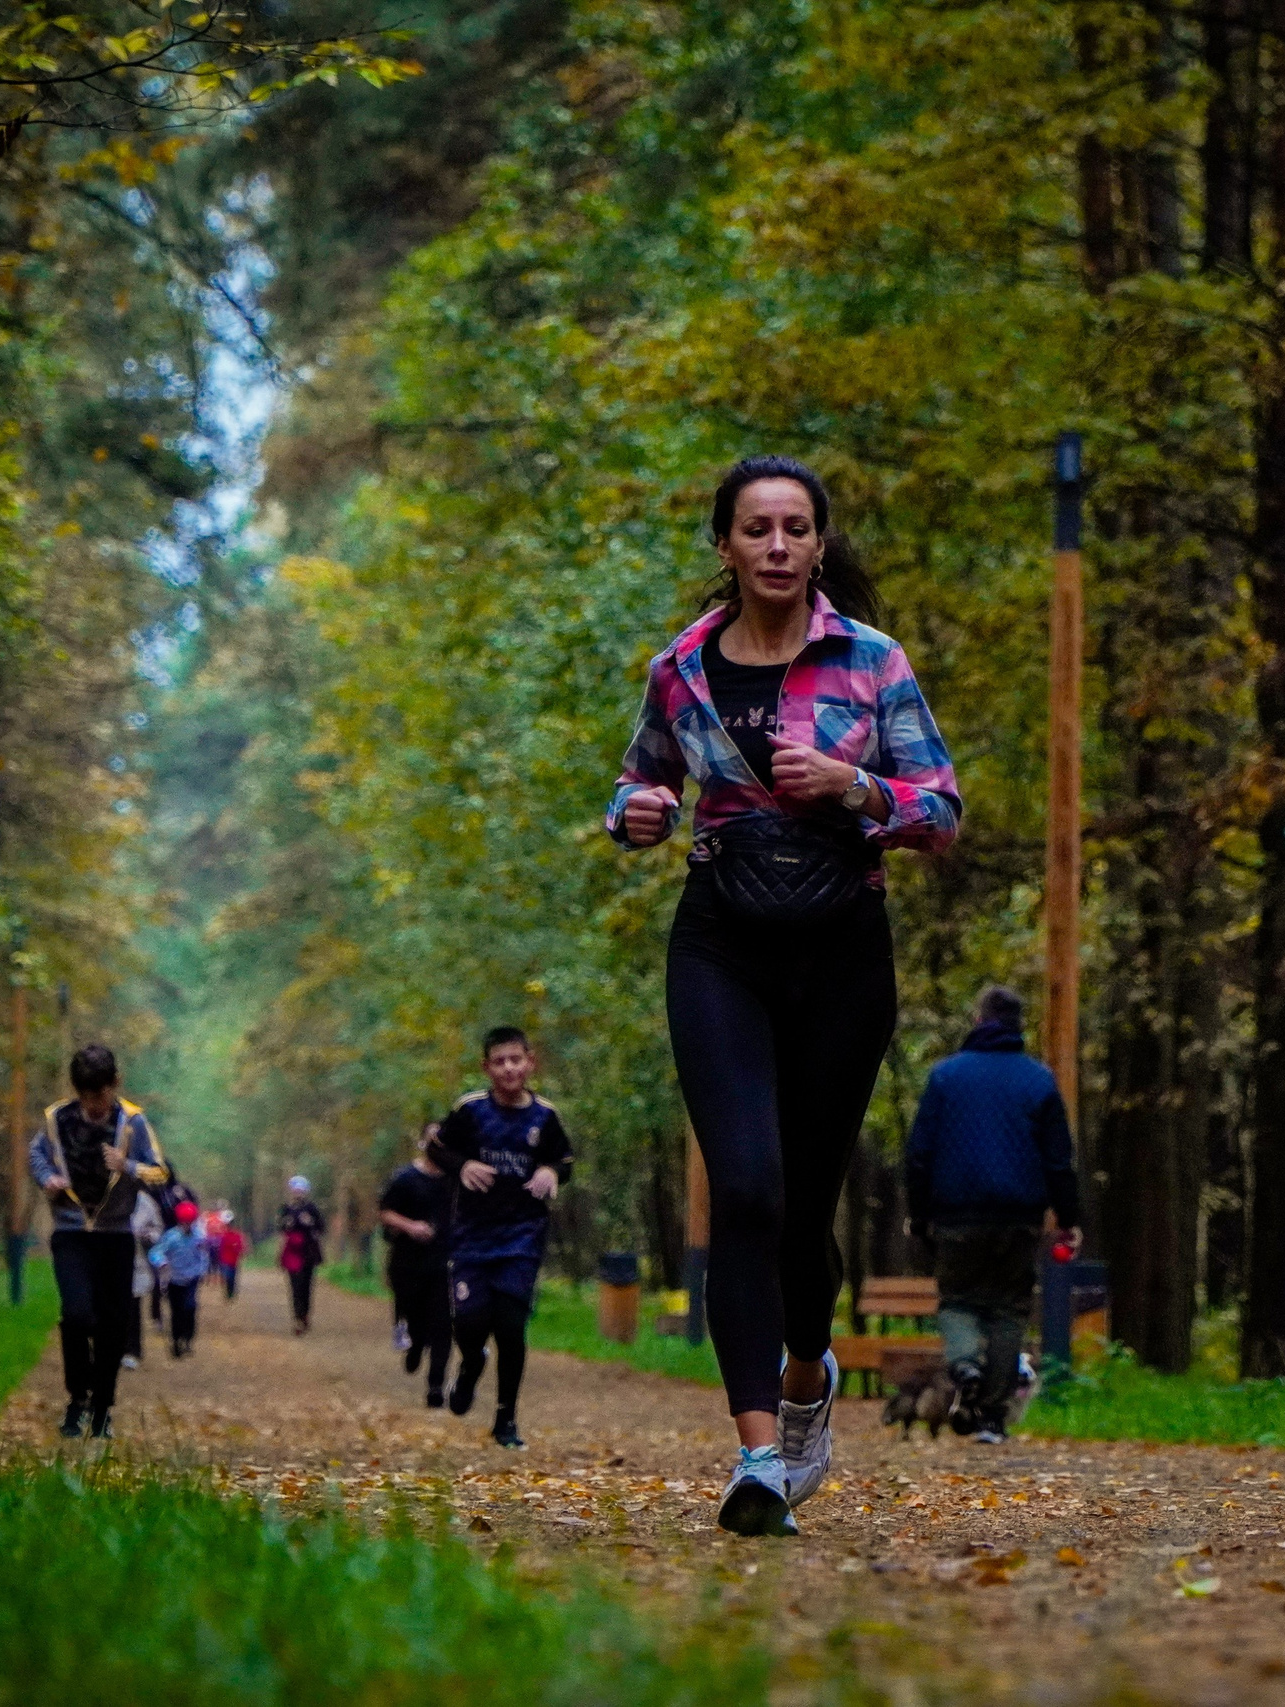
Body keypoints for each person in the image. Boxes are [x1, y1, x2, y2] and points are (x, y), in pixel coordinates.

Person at [607, 455, 959, 1536]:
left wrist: (854, 786)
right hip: (720, 939)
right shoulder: (682, 668)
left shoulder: (871, 660)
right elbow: (639, 774)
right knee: (746, 1191)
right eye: (753, 528)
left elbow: (940, 811)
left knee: (806, 1209)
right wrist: (638, 811)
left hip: (842, 946)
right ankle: (758, 1455)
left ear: (817, 545)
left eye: (792, 529)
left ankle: (809, 1368)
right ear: (724, 545)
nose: (773, 545)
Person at [904, 985, 1082, 1443]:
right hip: (1019, 1217)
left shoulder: (946, 1077)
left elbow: (919, 1153)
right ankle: (992, 1418)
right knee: (1008, 1311)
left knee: (958, 1300)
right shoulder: (1039, 1080)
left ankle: (964, 1366)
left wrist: (919, 1214)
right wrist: (1068, 1217)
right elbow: (1059, 1160)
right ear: (1018, 1026)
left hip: (956, 1216)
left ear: (979, 1021)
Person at [432, 1028, 573, 1450]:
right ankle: (472, 1361)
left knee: (511, 1327)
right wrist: (462, 1165)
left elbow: (564, 1159)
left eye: (516, 1059)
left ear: (530, 1062)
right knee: (471, 1322)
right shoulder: (470, 1111)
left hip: (522, 1237)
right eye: (500, 1061)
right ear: (487, 1068)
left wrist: (552, 1171)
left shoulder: (544, 1116)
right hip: (472, 1236)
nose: (509, 1068)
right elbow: (436, 1149)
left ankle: (505, 1419)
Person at [25, 1043, 173, 1438]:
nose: (93, 1104)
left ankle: (103, 1408)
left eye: (101, 1094)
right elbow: (36, 1155)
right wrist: (47, 1179)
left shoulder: (134, 1122)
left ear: (115, 1085)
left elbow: (160, 1172)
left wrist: (126, 1166)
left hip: (116, 1236)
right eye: (86, 1095)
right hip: (71, 1232)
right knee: (76, 1315)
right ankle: (77, 1398)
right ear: (76, 1090)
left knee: (112, 1324)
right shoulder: (57, 1119)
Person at [379, 1122, 457, 1406]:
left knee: (443, 1323)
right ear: (423, 1143)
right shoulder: (404, 1178)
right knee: (415, 1319)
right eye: (432, 1139)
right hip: (407, 1262)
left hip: (444, 1261)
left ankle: (436, 1385)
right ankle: (414, 1345)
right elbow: (385, 1212)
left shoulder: (455, 1178)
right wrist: (411, 1227)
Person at [150, 1200, 212, 1357]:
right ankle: (176, 1341)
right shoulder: (171, 1237)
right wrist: (161, 1262)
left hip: (192, 1278)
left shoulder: (199, 1237)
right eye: (185, 1222)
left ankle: (188, 1339)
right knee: (176, 1311)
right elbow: (155, 1253)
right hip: (174, 1279)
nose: (188, 1225)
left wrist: (203, 1271)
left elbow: (204, 1256)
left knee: (190, 1307)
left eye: (190, 1222)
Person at [278, 1178, 326, 1334]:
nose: (298, 1192)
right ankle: (297, 1317)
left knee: (306, 1285)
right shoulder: (286, 1208)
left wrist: (310, 1222)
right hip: (292, 1252)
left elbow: (321, 1228)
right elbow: (280, 1228)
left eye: (301, 1189)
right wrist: (287, 1223)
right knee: (295, 1285)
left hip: (308, 1252)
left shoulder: (312, 1208)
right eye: (295, 1189)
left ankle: (305, 1314)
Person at [127, 1190, 161, 1367]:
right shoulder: (99, 1191)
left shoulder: (144, 1201)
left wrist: (149, 1236)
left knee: (133, 1307)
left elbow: (157, 1230)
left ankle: (133, 1350)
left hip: (136, 1265)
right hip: (106, 1260)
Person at [214, 1210, 246, 1300]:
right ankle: (228, 1292)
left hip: (234, 1260)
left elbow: (240, 1247)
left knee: (233, 1277)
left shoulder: (236, 1235)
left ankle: (231, 1292)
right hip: (225, 1260)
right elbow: (219, 1247)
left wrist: (240, 1251)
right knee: (228, 1277)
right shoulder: (222, 1235)